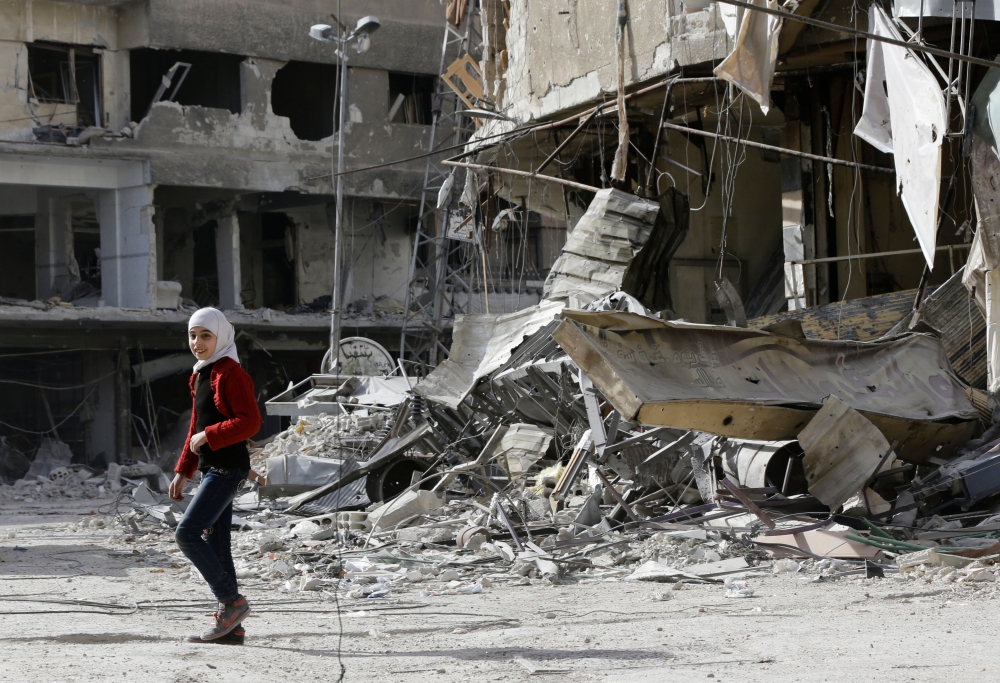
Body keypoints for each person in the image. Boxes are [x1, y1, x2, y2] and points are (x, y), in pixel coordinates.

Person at [169, 307, 262, 644]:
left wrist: (210, 436)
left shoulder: (232, 373)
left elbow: (250, 422)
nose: (198, 342)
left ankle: (233, 602)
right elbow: (195, 427)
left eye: (205, 335)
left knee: (188, 534)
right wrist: (184, 470)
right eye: (193, 335)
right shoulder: (201, 375)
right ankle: (232, 627)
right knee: (218, 545)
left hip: (228, 468)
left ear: (220, 337)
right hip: (212, 468)